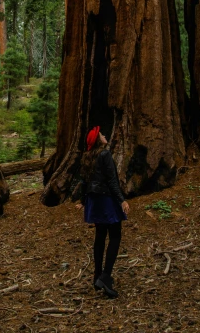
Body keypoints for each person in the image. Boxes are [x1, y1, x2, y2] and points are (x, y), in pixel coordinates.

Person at [74, 125, 130, 298]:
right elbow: (112, 180)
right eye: (102, 134)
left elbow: (85, 180)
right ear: (98, 139)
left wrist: (83, 200)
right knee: (115, 236)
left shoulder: (88, 156)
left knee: (100, 236)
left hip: (94, 200)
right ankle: (106, 276)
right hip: (106, 199)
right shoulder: (105, 155)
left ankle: (97, 276)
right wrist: (122, 200)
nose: (105, 135)